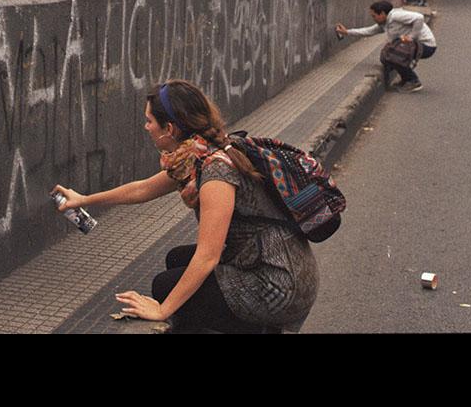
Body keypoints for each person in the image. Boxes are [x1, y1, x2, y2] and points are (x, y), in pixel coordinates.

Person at [52, 80, 320, 334]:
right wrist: (84, 199)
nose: (146, 127)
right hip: (264, 263)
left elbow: (208, 257)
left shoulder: (216, 171)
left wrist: (161, 310)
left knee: (166, 287)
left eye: (149, 121)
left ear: (169, 129)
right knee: (177, 259)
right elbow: (142, 189)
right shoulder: (198, 154)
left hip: (279, 285)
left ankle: (263, 329)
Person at [335, 1, 437, 93]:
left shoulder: (395, 16)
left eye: (374, 16)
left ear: (383, 14)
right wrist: (347, 32)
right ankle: (406, 79)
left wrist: (411, 36)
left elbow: (419, 18)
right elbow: (368, 31)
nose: (373, 19)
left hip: (426, 46)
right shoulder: (384, 23)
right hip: (412, 46)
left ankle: (413, 81)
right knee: (386, 56)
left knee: (394, 55)